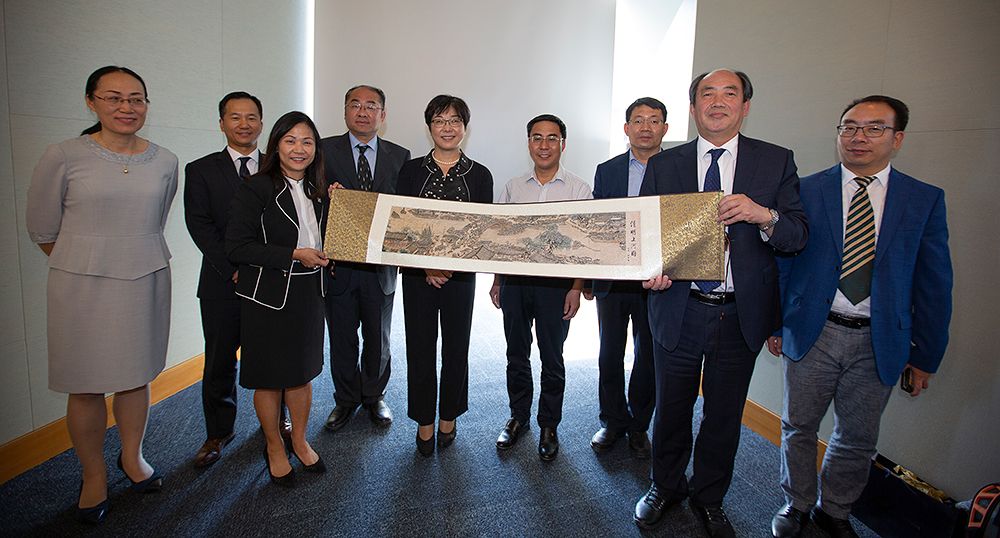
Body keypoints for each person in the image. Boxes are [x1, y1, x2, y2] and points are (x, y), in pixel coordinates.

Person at [633, 69, 808, 537]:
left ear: (745, 107)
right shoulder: (665, 165)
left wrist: (762, 215)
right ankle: (663, 485)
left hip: (740, 314)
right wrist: (649, 269)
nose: (717, 102)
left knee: (724, 414)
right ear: (692, 109)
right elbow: (646, 236)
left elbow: (797, 234)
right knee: (671, 406)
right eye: (706, 94)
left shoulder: (776, 162)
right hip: (679, 306)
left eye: (729, 93)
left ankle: (709, 496)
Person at [768, 96, 952, 538]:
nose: (858, 137)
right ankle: (796, 502)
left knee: (858, 436)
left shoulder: (923, 200)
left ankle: (835, 510)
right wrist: (775, 323)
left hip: (880, 339)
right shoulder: (807, 190)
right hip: (815, 331)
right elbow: (782, 265)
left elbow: (934, 281)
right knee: (799, 425)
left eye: (874, 128)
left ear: (898, 138)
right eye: (849, 127)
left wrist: (925, 355)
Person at [26, 66, 178, 524]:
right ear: (91, 101)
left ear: (147, 105)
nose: (126, 107)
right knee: (86, 382)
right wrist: (90, 259)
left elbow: (158, 216)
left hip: (145, 275)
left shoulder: (165, 160)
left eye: (136, 99)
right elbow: (42, 228)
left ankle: (132, 457)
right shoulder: (64, 155)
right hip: (81, 285)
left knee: (136, 375)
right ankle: (92, 475)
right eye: (113, 98)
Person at [184, 91, 291, 467]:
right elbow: (200, 226)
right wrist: (231, 267)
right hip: (221, 281)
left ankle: (279, 425)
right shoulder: (200, 170)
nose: (244, 124)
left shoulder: (280, 166)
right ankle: (217, 432)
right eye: (235, 117)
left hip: (269, 283)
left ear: (262, 124)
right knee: (219, 360)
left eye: (251, 118)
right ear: (222, 123)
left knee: (273, 358)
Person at [225, 111, 329, 487]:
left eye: (307, 142)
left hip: (309, 294)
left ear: (316, 149)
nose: (299, 149)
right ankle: (273, 446)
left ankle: (299, 440)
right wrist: (292, 254)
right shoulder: (258, 187)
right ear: (276, 145)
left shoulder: (319, 190)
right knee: (269, 379)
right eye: (290, 141)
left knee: (301, 375)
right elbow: (237, 246)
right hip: (267, 297)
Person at [491, 114, 593, 461]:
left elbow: (584, 244)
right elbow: (499, 238)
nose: (544, 145)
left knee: (553, 357)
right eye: (537, 138)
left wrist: (576, 288)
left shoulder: (579, 189)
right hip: (516, 284)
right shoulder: (513, 187)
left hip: (556, 287)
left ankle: (549, 424)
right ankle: (518, 417)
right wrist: (497, 280)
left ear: (563, 143)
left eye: (552, 138)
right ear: (529, 143)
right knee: (516, 353)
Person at [396, 95, 494, 456]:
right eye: (440, 121)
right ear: (429, 127)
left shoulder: (480, 175)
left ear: (464, 128)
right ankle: (424, 420)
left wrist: (450, 265)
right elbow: (401, 226)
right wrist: (427, 265)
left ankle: (449, 417)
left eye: (454, 121)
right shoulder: (410, 171)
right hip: (418, 277)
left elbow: (481, 232)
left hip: (461, 278)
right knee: (420, 348)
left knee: (456, 348)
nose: (448, 128)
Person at [320, 85, 411, 431]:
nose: (362, 111)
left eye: (371, 106)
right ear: (344, 111)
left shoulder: (400, 156)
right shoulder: (323, 150)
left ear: (382, 115)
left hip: (380, 267)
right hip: (337, 265)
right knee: (342, 336)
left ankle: (374, 397)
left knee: (378, 336)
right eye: (355, 105)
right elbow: (311, 200)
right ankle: (345, 400)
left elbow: (403, 211)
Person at [584, 97, 668, 459]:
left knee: (647, 354)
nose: (645, 127)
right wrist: (588, 279)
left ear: (664, 128)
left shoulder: (679, 168)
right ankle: (613, 420)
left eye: (654, 121)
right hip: (614, 279)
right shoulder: (608, 170)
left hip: (658, 281)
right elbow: (595, 224)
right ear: (626, 128)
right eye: (638, 120)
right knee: (609, 352)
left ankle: (639, 424)